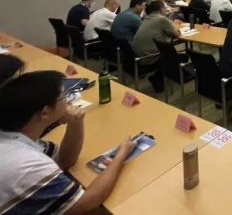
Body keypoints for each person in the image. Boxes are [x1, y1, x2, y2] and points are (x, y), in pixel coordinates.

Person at [0, 71, 137, 213]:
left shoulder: (14, 135)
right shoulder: (27, 163)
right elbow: (87, 202)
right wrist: (121, 155)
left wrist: (75, 122)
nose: (70, 101)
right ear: (45, 113)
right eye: (65, 96)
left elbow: (65, 160)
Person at [132, 0, 181, 91]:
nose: (166, 10)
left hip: (137, 55)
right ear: (161, 9)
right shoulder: (161, 19)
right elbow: (177, 35)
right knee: (174, 55)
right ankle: (157, 77)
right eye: (165, 8)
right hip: (149, 57)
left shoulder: (147, 17)